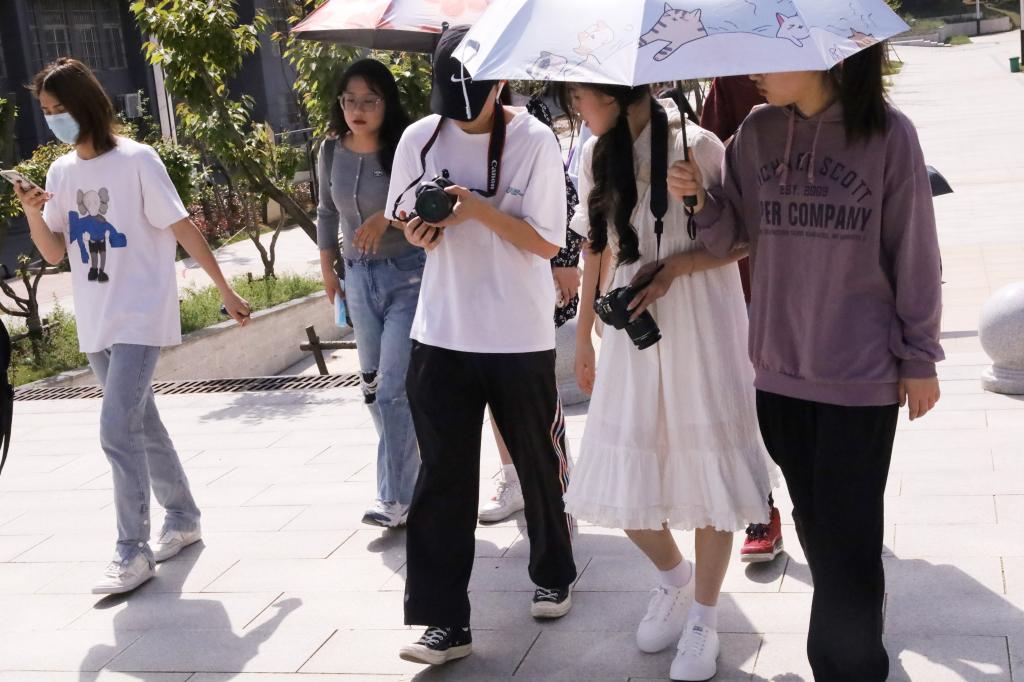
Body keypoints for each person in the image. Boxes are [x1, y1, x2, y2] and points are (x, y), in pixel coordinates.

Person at [672, 44, 944, 681]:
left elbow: (915, 250)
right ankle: (859, 629)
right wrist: (699, 201)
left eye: (767, 56)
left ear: (822, 56)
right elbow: (734, 237)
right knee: (818, 525)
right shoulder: (757, 132)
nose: (752, 70)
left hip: (860, 374)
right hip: (778, 370)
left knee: (847, 531)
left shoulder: (888, 134)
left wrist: (920, 356)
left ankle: (846, 664)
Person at [562, 83, 774, 681]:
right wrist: (583, 335)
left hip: (702, 318)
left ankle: (705, 616)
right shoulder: (595, 152)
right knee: (619, 475)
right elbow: (595, 248)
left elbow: (740, 242)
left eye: (582, 96)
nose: (576, 108)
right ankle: (674, 579)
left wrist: (693, 209)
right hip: (632, 325)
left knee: (711, 472)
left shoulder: (699, 145)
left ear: (616, 94)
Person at [15, 58, 251, 595]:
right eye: (46, 111)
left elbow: (182, 227)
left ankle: (132, 549)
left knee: (116, 429)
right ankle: (183, 516)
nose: (54, 119)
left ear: (87, 105)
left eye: (61, 108)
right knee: (142, 421)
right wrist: (31, 210)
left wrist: (225, 288)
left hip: (140, 313)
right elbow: (54, 252)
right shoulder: (60, 172)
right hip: (96, 316)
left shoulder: (137, 160)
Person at [387, 26, 578, 666]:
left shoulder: (534, 140)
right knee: (442, 478)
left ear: (501, 85)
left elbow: (547, 242)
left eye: (475, 103)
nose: (463, 118)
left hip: (518, 333)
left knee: (537, 462)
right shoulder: (419, 137)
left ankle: (553, 571)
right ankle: (444, 620)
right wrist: (420, 232)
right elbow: (402, 217)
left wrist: (477, 210)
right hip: (441, 331)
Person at [315, 58, 420, 529]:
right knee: (374, 389)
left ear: (386, 103)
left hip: (408, 278)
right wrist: (328, 272)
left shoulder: (404, 148)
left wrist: (387, 218)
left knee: (393, 389)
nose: (358, 110)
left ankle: (392, 497)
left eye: (369, 101)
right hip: (357, 280)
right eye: (350, 100)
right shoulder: (329, 150)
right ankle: (410, 480)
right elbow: (325, 213)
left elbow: (426, 204)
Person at [479, 91, 583, 524]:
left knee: (535, 390)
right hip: (476, 282)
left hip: (529, 275)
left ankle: (557, 483)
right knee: (492, 387)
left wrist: (565, 261)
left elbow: (564, 195)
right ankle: (513, 478)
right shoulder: (440, 130)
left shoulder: (528, 119)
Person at [700, 76, 785, 565]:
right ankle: (760, 510)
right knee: (752, 401)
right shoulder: (732, 78)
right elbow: (713, 169)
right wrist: (748, 140)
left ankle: (831, 513)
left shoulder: (832, 64)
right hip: (750, 272)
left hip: (821, 279)